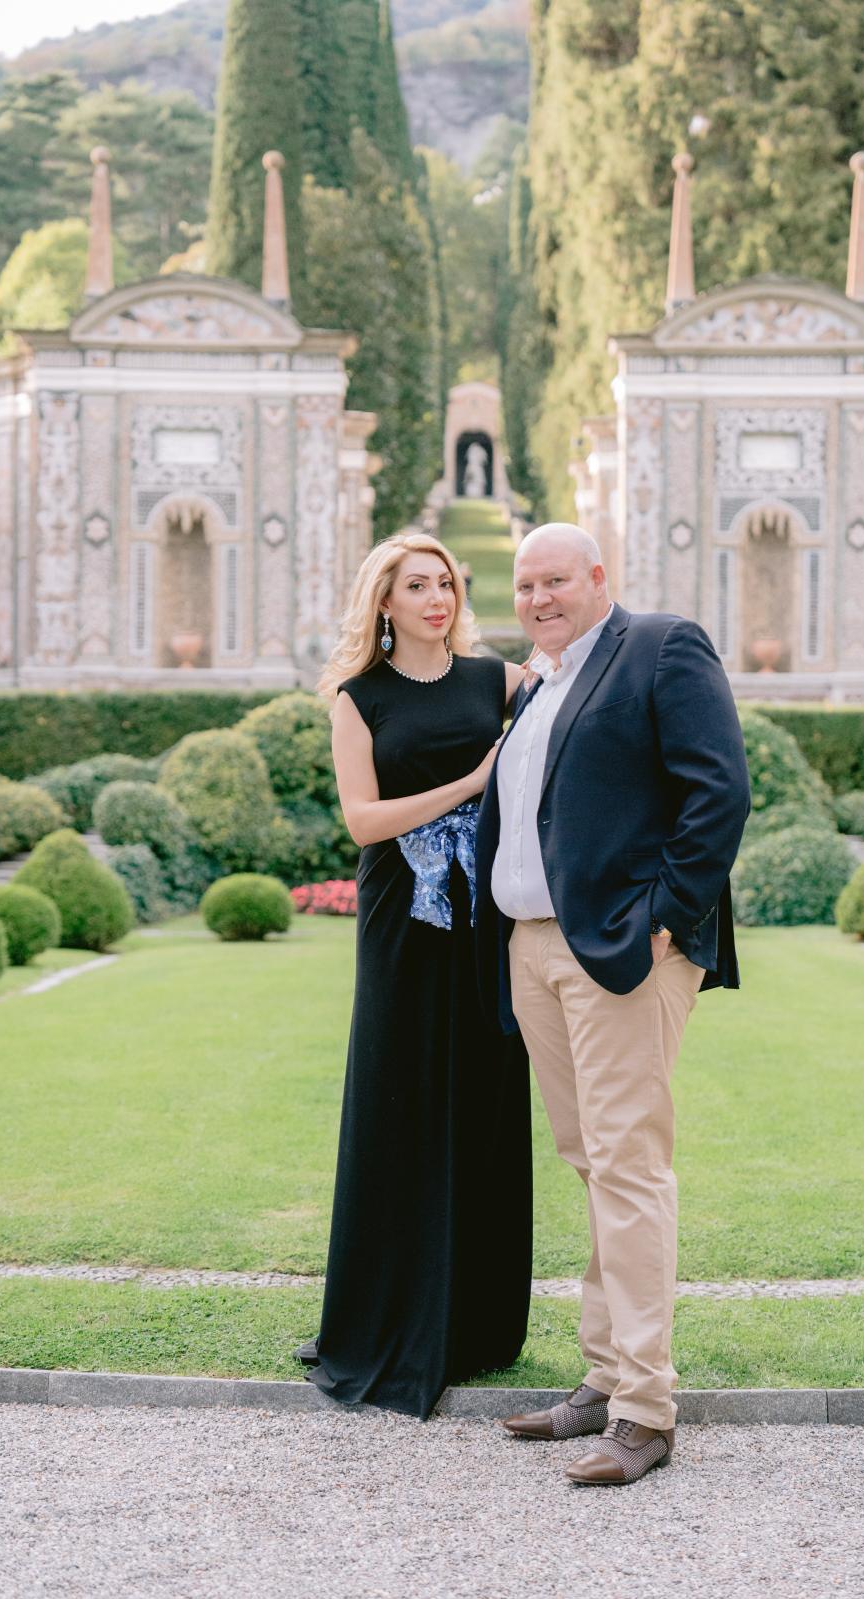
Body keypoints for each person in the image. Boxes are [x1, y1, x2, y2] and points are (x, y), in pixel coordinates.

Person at [475, 522, 751, 1484]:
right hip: (535, 947)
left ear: (599, 577)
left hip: (622, 952)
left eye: (555, 580)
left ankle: (645, 1410)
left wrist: (665, 922)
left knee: (629, 1165)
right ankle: (602, 1379)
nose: (539, 598)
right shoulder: (540, 680)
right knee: (591, 1160)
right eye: (523, 586)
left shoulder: (660, 645)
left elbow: (718, 791)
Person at [296, 531, 532, 1418]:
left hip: (487, 922)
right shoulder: (359, 700)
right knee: (399, 1104)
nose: (438, 598)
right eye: (417, 585)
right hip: (402, 924)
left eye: (446, 583)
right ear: (384, 603)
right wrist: (473, 782)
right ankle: (385, 1319)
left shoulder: (497, 680)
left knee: (484, 1101)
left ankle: (476, 1324)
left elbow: (571, 721)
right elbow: (363, 820)